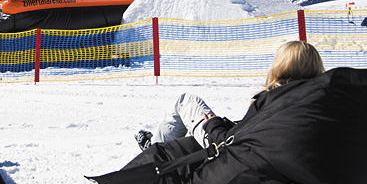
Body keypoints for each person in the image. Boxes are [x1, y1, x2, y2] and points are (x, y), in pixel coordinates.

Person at [135, 41, 325, 150]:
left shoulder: (270, 99)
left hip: (223, 146)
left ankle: (154, 149)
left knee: (185, 101)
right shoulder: (323, 99)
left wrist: (214, 125)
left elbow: (242, 141)